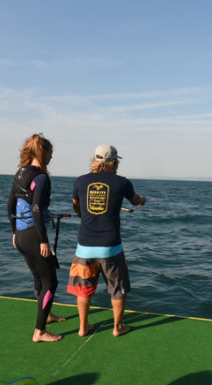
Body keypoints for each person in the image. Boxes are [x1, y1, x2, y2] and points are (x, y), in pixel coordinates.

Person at [67, 144, 146, 337]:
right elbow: (135, 200)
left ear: (94, 160)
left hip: (84, 247)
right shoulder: (122, 182)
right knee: (117, 289)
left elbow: (76, 205)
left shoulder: (80, 181)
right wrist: (142, 200)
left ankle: (83, 327)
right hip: (110, 248)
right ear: (114, 162)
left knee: (83, 290)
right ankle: (118, 328)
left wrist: (83, 216)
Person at [7, 133, 65, 342]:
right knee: (51, 282)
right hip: (34, 236)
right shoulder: (41, 177)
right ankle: (39, 331)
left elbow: (10, 206)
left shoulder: (20, 174)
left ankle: (47, 316)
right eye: (50, 153)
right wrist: (43, 240)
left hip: (21, 235)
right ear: (44, 152)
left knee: (39, 278)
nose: (51, 158)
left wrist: (15, 232)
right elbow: (37, 209)